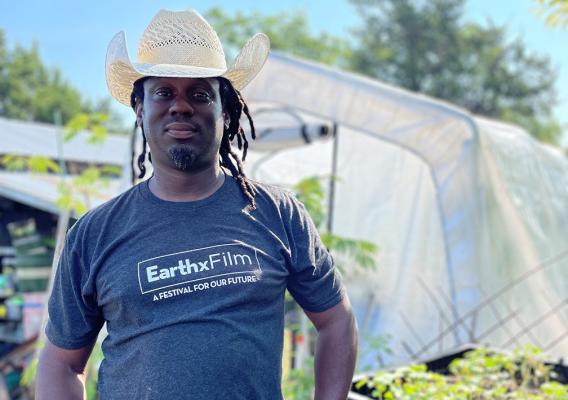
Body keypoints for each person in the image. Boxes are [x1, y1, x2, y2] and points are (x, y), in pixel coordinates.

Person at [36, 9, 357, 400]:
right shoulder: (93, 234)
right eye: (164, 92)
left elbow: (336, 320)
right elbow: (61, 363)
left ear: (226, 112)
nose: (181, 106)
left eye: (200, 93)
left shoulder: (277, 213)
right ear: (140, 109)